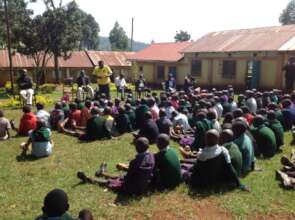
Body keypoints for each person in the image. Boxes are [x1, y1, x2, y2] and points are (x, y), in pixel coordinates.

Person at [77, 137, 155, 195]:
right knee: (120, 176)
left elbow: (127, 179)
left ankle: (87, 179)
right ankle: (102, 173)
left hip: (133, 189)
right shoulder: (151, 156)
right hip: (143, 185)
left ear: (137, 148)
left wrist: (119, 181)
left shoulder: (135, 162)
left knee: (110, 182)